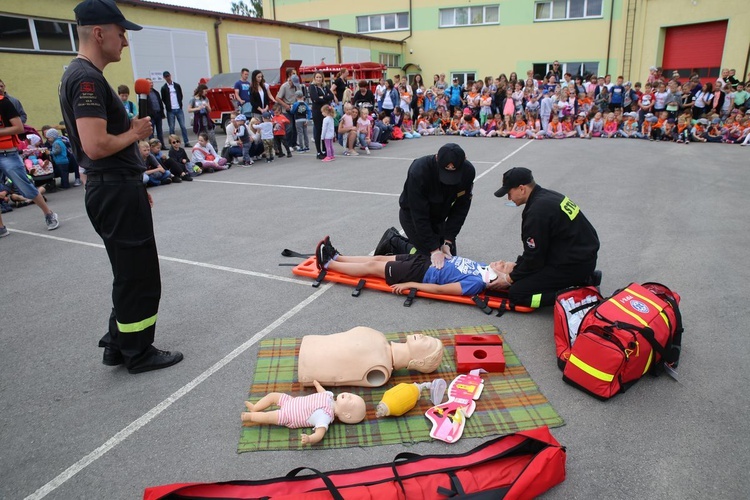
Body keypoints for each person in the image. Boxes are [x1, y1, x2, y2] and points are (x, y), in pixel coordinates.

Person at [59, 0, 182, 373]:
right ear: (99, 33)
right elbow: (95, 146)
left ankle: (118, 343)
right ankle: (138, 352)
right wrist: (136, 133)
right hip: (113, 188)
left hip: (115, 187)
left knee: (130, 269)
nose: (125, 41)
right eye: (121, 31)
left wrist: (131, 182)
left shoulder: (83, 74)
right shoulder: (86, 79)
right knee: (139, 274)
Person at [493, 167, 600, 308]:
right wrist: (519, 266)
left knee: (517, 293)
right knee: (524, 276)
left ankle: (578, 293)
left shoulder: (537, 213)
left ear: (521, 189)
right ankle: (586, 278)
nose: (509, 198)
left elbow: (535, 258)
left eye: (509, 193)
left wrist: (509, 278)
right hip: (582, 257)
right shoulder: (548, 196)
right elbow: (539, 248)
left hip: (572, 265)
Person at [316, 235, 505, 299]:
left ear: (503, 277)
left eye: (504, 266)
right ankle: (338, 257)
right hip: (426, 260)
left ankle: (328, 264)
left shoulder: (477, 283)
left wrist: (410, 285)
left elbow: (440, 289)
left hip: (421, 274)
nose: (501, 262)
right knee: (381, 257)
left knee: (373, 266)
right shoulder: (483, 267)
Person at [380, 144, 474, 267]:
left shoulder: (468, 172)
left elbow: (461, 209)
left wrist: (448, 240)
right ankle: (394, 241)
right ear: (437, 159)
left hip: (439, 217)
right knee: (426, 260)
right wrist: (434, 250)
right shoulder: (419, 170)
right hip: (412, 216)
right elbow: (419, 215)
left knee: (450, 261)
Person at [298, 324, 444, 387]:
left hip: (308, 367)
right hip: (312, 344)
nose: (424, 336)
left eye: (428, 344)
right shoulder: (380, 337)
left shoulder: (381, 369)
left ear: (419, 362)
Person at [0, 86, 59, 230]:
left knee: (25, 188)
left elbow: (19, 127)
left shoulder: (4, 103)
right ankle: (1, 227)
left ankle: (49, 214)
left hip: (7, 153)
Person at [241, 379, 366, 446]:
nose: (349, 396)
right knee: (273, 396)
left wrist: (310, 439)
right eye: (352, 395)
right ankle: (255, 407)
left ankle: (250, 416)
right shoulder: (329, 395)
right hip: (290, 401)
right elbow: (321, 391)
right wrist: (317, 384)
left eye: (351, 401)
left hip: (290, 416)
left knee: (268, 417)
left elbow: (319, 434)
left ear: (347, 415)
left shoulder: (325, 417)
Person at [308, 71, 334, 159]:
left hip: (326, 111)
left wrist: (323, 97)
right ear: (314, 78)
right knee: (318, 131)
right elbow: (315, 99)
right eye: (317, 77)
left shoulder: (325, 86)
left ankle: (325, 149)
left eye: (320, 77)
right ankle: (319, 151)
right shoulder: (312, 87)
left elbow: (331, 96)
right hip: (317, 111)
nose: (319, 79)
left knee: (325, 130)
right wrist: (324, 98)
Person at [160, 71, 190, 146]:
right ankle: (172, 143)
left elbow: (181, 95)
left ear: (170, 76)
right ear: (164, 78)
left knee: (183, 126)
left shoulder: (177, 85)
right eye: (166, 77)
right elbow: (163, 98)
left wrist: (179, 103)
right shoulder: (164, 88)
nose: (168, 78)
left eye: (168, 76)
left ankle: (186, 142)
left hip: (179, 109)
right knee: (171, 127)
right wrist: (168, 105)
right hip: (170, 110)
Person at [188, 84, 216, 149]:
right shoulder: (193, 99)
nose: (206, 93)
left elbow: (209, 110)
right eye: (205, 91)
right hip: (199, 120)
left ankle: (215, 151)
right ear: (201, 91)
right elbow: (189, 110)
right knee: (202, 139)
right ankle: (203, 152)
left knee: (212, 137)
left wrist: (207, 106)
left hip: (206, 119)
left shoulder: (206, 99)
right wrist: (198, 108)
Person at [145, 78, 166, 147]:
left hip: (158, 114)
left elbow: (160, 102)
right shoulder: (144, 94)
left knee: (160, 130)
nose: (151, 84)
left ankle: (161, 145)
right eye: (149, 83)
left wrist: (162, 113)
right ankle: (153, 146)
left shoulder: (156, 92)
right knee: (151, 132)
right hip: (151, 115)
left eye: (152, 83)